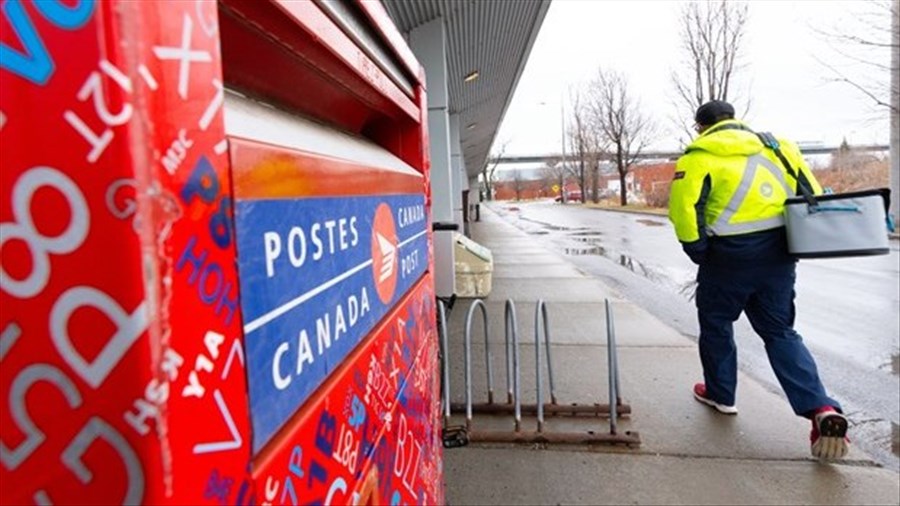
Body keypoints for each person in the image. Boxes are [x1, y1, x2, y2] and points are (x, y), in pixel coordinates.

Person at [668, 100, 849, 460]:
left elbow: (683, 212)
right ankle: (819, 408)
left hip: (727, 259)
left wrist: (700, 252)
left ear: (700, 126)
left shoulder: (697, 156)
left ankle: (722, 395)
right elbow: (809, 193)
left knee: (717, 324)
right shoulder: (780, 147)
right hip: (778, 257)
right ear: (735, 119)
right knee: (780, 332)